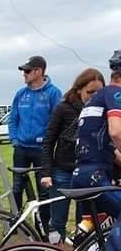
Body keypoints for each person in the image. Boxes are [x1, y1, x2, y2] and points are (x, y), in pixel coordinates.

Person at [40, 68, 105, 242]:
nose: (94, 96)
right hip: (62, 171)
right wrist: (46, 173)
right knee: (57, 220)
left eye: (99, 92)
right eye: (90, 92)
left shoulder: (102, 109)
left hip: (87, 172)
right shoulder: (63, 108)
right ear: (79, 90)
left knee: (85, 222)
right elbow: (48, 141)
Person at [8, 56, 62, 230]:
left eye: (27, 70)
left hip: (42, 151)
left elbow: (58, 121)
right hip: (21, 149)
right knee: (17, 187)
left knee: (44, 190)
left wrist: (49, 143)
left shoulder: (54, 93)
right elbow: (13, 119)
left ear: (38, 71)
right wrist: (14, 139)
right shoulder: (20, 94)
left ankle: (45, 226)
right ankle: (14, 223)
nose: (24, 74)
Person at [71, 50, 121, 218]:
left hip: (81, 174)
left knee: (98, 224)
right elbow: (116, 132)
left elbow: (104, 144)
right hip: (96, 176)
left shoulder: (95, 98)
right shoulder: (115, 93)